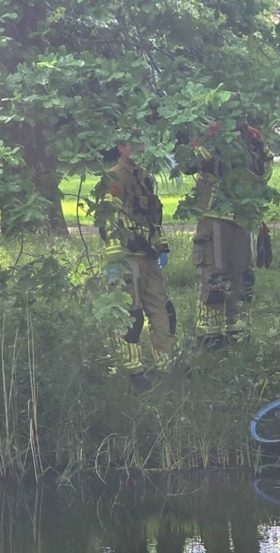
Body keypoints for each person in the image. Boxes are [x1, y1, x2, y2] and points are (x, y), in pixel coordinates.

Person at [95, 140, 175, 391]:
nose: (139, 149)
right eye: (132, 145)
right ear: (120, 148)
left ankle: (166, 365)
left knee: (162, 309)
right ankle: (134, 371)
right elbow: (107, 221)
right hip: (126, 256)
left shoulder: (145, 178)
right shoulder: (113, 179)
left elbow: (154, 218)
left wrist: (161, 246)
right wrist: (117, 258)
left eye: (142, 143)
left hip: (148, 256)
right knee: (131, 314)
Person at [188, 120, 274, 347]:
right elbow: (193, 162)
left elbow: (266, 163)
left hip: (242, 214)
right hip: (214, 212)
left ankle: (235, 327)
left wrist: (252, 183)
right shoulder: (211, 133)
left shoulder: (253, 136)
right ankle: (210, 332)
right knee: (214, 273)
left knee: (241, 273)